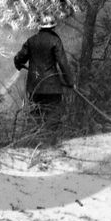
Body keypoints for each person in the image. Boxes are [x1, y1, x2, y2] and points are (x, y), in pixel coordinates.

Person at [13, 14, 74, 143]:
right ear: (53, 27)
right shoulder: (55, 41)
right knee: (53, 115)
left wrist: (18, 64)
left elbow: (20, 58)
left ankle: (34, 142)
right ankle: (49, 142)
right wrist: (70, 82)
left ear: (40, 26)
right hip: (52, 87)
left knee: (36, 114)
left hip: (35, 86)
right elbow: (63, 63)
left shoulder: (31, 41)